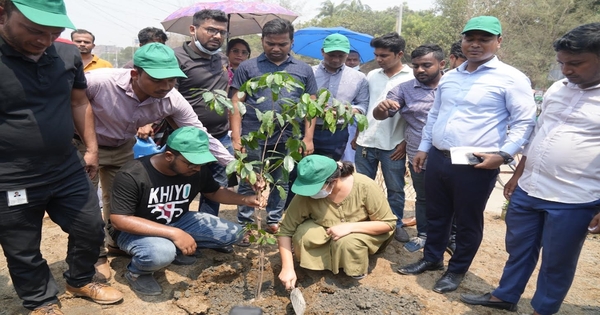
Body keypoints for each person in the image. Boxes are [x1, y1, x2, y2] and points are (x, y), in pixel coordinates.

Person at [460, 22, 600, 315]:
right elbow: (539, 134)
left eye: (575, 63)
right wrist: (520, 174)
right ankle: (506, 296)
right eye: (562, 63)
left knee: (557, 261)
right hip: (529, 189)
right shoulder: (557, 89)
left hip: (574, 198)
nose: (566, 71)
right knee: (518, 249)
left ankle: (543, 309)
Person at [397, 16, 537, 294]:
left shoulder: (511, 78)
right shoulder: (451, 77)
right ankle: (432, 258)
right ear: (462, 41)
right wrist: (424, 148)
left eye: (483, 39)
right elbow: (435, 115)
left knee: (467, 220)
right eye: (469, 39)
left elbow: (525, 123)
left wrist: (504, 155)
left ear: (498, 42)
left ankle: (457, 269)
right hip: (439, 156)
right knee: (437, 214)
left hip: (476, 162)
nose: (475, 44)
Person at [0, 0, 123, 313]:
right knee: (22, 245)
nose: (44, 40)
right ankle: (40, 300)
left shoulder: (67, 54)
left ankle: (80, 278)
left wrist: (92, 148)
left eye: (54, 32)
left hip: (66, 166)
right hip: (12, 176)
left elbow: (79, 103)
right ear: (3, 12)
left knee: (90, 227)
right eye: (34, 30)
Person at [74, 42, 235, 280]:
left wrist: (235, 166)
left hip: (122, 146)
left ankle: (115, 242)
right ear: (135, 74)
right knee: (86, 204)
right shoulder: (99, 81)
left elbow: (200, 134)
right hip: (84, 145)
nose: (166, 86)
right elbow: (73, 103)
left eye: (172, 80)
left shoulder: (172, 98)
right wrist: (89, 148)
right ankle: (95, 256)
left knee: (114, 202)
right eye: (159, 80)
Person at [110, 127, 262, 296]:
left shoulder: (196, 168)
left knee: (235, 233)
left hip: (178, 220)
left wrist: (246, 200)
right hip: (135, 230)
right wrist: (174, 233)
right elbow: (120, 220)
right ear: (169, 156)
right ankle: (137, 272)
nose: (196, 169)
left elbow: (212, 192)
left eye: (200, 164)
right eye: (191, 163)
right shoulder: (132, 174)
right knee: (161, 253)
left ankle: (175, 248)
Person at [230, 18, 318, 242]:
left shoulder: (304, 70)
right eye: (270, 44)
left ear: (292, 43)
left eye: (283, 44)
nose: (276, 49)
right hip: (253, 136)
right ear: (262, 41)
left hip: (287, 137)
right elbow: (236, 104)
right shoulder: (248, 67)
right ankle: (246, 223)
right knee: (249, 179)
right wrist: (237, 137)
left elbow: (311, 107)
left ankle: (273, 220)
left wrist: (308, 138)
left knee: (281, 179)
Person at [277, 155, 396, 287]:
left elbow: (388, 223)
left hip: (363, 232)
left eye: (315, 188)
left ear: (333, 181)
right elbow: (285, 230)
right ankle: (321, 266)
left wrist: (350, 227)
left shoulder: (365, 186)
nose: (311, 193)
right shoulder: (306, 194)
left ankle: (353, 269)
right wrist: (287, 267)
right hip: (327, 229)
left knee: (347, 242)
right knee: (304, 234)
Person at [373, 44, 446, 253]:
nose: (420, 70)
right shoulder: (403, 89)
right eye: (416, 66)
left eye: (426, 65)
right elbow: (383, 114)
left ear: (441, 64)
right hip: (418, 155)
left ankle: (449, 236)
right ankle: (424, 234)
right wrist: (381, 108)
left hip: (449, 154)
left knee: (451, 198)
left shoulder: (452, 86)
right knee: (423, 197)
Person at [351, 32, 414, 243]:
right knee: (362, 186)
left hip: (393, 144)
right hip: (366, 142)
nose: (379, 59)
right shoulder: (372, 76)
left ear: (399, 54)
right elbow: (367, 108)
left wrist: (406, 143)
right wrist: (358, 135)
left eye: (384, 55)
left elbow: (416, 116)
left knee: (395, 188)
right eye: (377, 55)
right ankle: (365, 222)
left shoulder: (412, 78)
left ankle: (395, 223)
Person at [174, 9, 234, 217]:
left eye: (221, 32)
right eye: (211, 30)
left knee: (215, 187)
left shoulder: (221, 59)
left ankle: (207, 232)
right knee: (180, 186)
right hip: (187, 139)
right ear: (193, 29)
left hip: (220, 135)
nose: (217, 36)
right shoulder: (176, 58)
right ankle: (176, 228)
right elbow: (168, 102)